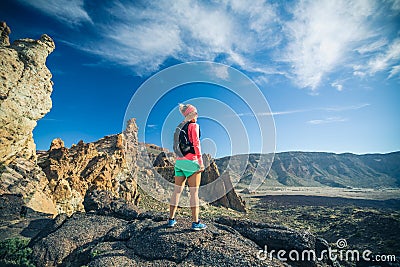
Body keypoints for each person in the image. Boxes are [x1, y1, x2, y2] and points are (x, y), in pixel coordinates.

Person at [167, 103, 206, 230]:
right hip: (191, 162)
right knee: (194, 194)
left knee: (177, 191)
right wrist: (200, 162)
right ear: (190, 114)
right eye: (195, 113)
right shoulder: (194, 126)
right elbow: (196, 144)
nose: (197, 115)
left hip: (179, 162)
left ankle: (171, 220)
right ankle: (196, 223)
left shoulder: (180, 127)